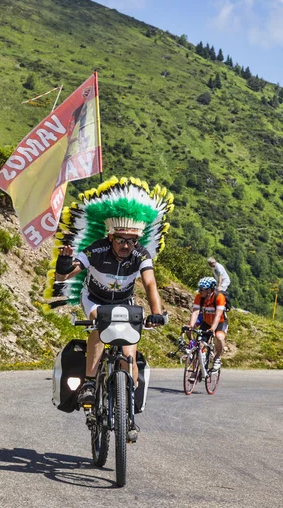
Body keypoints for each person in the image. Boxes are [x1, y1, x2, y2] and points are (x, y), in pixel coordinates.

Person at [45, 176, 174, 442]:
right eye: (120, 240)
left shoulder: (141, 255)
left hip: (125, 303)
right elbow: (65, 276)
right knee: (100, 326)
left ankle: (128, 411)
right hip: (94, 299)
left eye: (131, 240)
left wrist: (157, 313)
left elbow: (150, 285)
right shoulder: (96, 250)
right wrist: (65, 262)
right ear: (110, 236)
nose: (126, 245)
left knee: (129, 352)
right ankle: (91, 382)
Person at [188, 277, 228, 372]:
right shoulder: (199, 297)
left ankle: (217, 358)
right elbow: (195, 312)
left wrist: (212, 329)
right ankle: (195, 372)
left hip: (220, 322)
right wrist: (191, 326)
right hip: (206, 322)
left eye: (202, 289)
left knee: (219, 337)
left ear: (210, 290)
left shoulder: (219, 297)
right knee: (198, 346)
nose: (199, 291)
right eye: (199, 289)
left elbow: (218, 315)